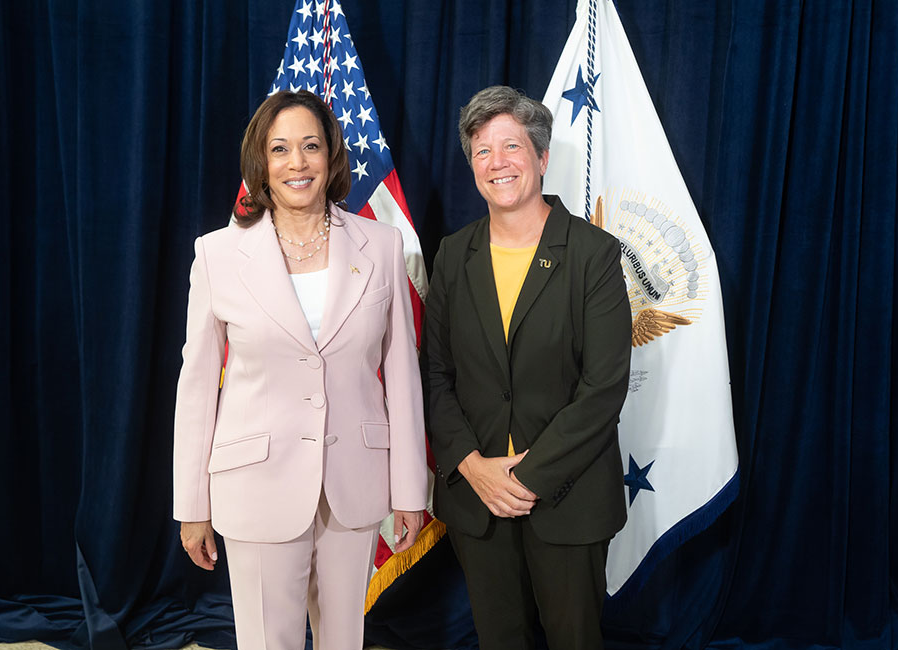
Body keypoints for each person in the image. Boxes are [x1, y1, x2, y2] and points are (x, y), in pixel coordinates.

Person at [173, 90, 428, 650]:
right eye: (281, 149)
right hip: (255, 484)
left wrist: (412, 488)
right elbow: (196, 389)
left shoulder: (382, 245)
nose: (298, 162)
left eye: (311, 146)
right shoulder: (217, 255)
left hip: (354, 487)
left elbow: (402, 376)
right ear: (261, 163)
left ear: (331, 156)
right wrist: (192, 507)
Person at [421, 85, 632, 649]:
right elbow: (434, 375)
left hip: (569, 495)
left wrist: (524, 477)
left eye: (511, 146)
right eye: (483, 151)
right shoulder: (451, 255)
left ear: (541, 157)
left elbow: (604, 387)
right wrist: (473, 467)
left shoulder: (594, 254)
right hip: (477, 497)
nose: (498, 163)